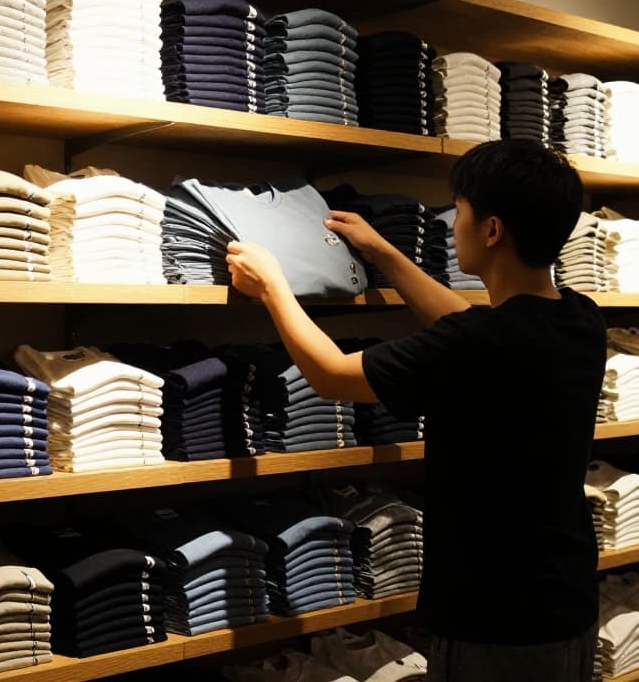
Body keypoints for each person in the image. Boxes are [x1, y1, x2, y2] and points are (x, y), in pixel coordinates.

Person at [226, 140, 605, 682]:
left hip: (493, 618)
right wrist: (386, 254)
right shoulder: (580, 321)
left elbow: (332, 374)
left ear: (492, 230)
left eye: (462, 212)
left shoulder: (479, 343)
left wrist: (272, 287)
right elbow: (463, 323)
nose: (454, 226)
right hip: (565, 600)